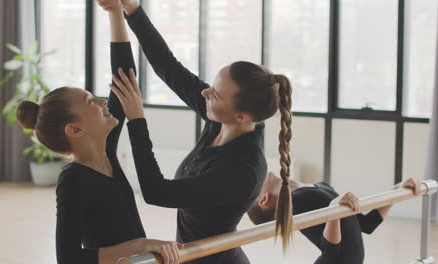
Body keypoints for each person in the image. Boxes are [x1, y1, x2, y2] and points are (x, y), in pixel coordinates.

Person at [97, 0, 296, 263]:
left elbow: (156, 192)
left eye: (215, 94)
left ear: (242, 116)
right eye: (211, 85)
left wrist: (136, 119)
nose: (205, 93)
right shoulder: (222, 121)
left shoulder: (242, 170)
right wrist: (133, 9)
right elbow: (169, 68)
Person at [16, 2, 181, 264]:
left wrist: (115, 12)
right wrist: (140, 245)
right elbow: (69, 258)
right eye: (90, 101)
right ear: (74, 129)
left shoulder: (106, 152)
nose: (103, 102)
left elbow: (123, 77)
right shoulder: (72, 180)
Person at [247, 171, 420, 264]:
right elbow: (330, 250)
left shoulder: (312, 187)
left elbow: (366, 224)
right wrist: (333, 213)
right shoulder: (295, 202)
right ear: (264, 199)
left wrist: (396, 191)